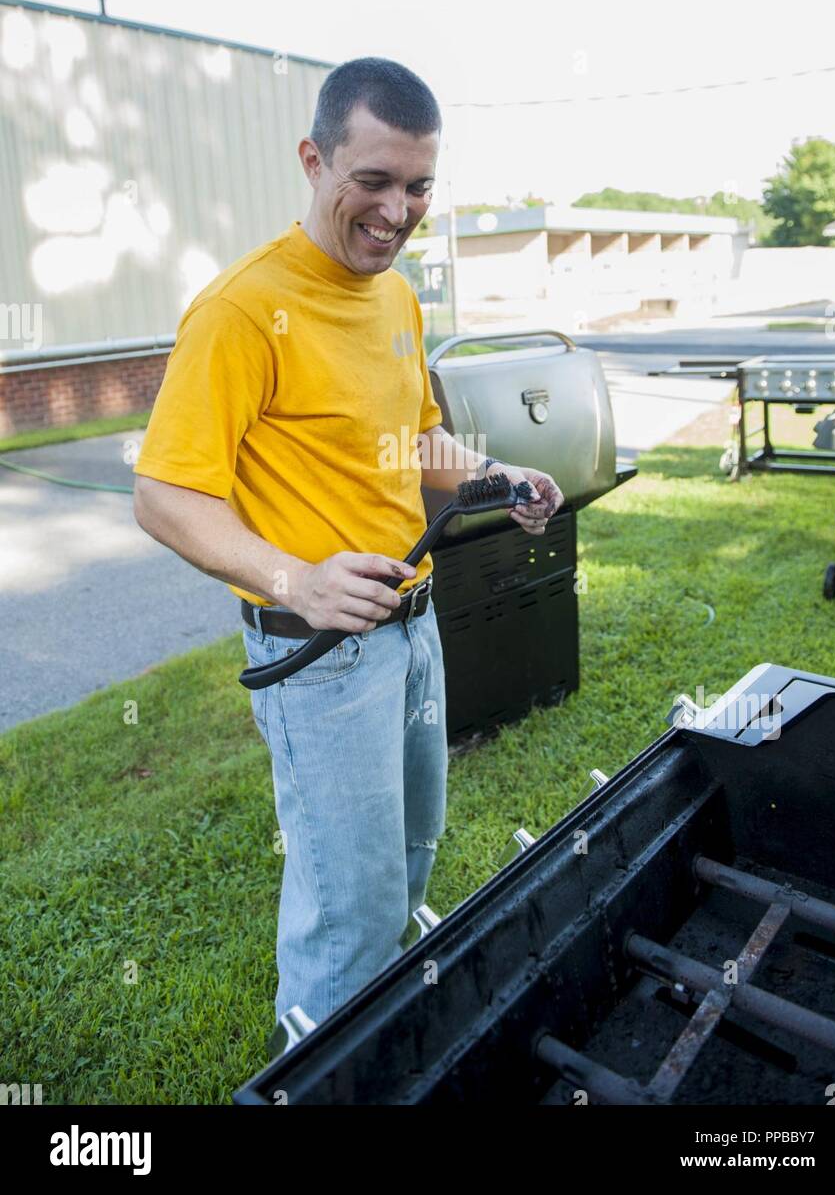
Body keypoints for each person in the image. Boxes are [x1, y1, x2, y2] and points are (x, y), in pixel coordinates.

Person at [132, 56, 564, 1032]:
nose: (395, 209)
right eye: (371, 180)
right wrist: (299, 579)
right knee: (346, 906)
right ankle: (326, 1048)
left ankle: (391, 1008)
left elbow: (408, 438)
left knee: (411, 847)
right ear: (313, 159)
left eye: (417, 186)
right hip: (318, 652)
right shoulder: (241, 308)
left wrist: (497, 480)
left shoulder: (398, 298)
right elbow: (163, 494)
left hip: (414, 627)